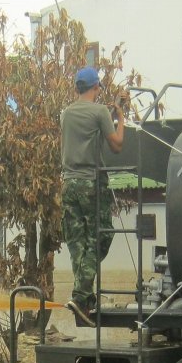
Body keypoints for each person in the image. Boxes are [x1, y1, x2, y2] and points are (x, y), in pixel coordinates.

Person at [60, 65, 124, 326]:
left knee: (77, 242)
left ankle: (84, 301)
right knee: (101, 236)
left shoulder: (66, 113)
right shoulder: (99, 111)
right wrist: (120, 116)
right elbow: (117, 145)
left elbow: (86, 132)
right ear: (96, 87)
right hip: (90, 183)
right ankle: (81, 293)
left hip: (68, 183)